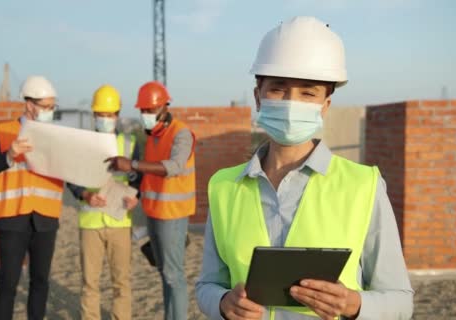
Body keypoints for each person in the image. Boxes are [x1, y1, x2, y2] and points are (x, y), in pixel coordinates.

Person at [196, 16, 414, 320]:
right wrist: (222, 303)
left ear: (325, 105)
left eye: (308, 93)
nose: (291, 102)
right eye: (278, 89)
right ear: (258, 97)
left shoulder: (364, 186)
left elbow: (401, 300)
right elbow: (207, 284)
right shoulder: (223, 187)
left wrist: (354, 306)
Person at [106, 81, 196, 320]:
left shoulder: (181, 133)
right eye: (142, 110)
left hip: (173, 215)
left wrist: (132, 164)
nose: (145, 115)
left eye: (150, 110)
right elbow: (149, 173)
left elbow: (174, 167)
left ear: (165, 107)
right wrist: (130, 173)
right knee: (164, 273)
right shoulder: (153, 137)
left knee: (174, 275)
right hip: (154, 213)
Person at [0, 75, 63, 320]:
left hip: (45, 219)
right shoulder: (3, 131)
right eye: (46, 106)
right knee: (8, 282)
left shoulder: (56, 136)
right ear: (29, 104)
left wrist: (85, 194)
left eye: (52, 107)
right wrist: (9, 155)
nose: (50, 112)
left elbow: (68, 170)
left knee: (40, 282)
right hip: (12, 217)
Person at [66, 84, 140, 320]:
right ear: (94, 115)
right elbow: (71, 177)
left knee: (122, 282)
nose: (105, 119)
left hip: (120, 221)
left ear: (117, 115)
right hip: (90, 221)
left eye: (109, 114)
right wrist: (84, 194)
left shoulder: (129, 144)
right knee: (90, 283)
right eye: (100, 114)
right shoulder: (82, 143)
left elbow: (139, 178)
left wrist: (135, 196)